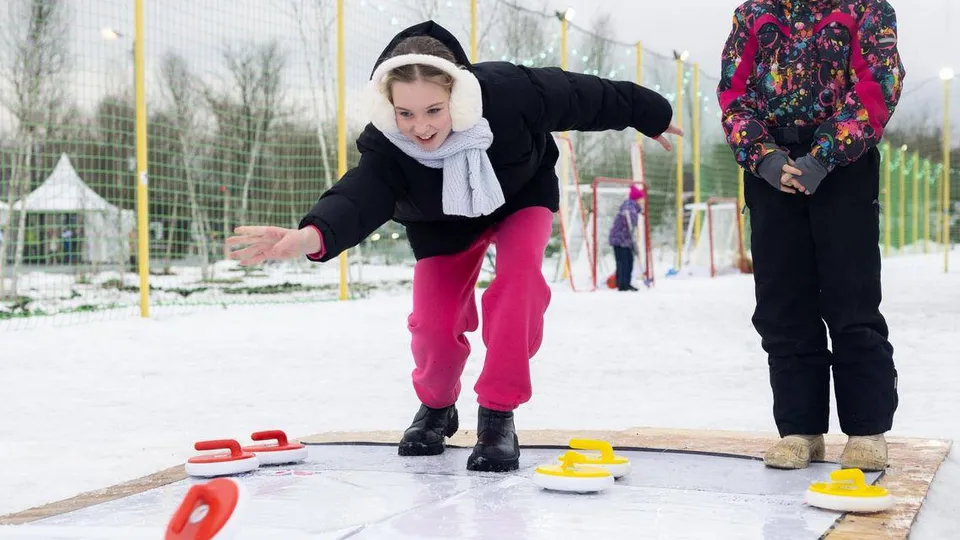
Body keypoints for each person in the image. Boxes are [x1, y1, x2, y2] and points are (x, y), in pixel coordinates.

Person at [226, 20, 680, 473]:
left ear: (457, 97)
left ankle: (498, 415)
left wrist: (651, 113)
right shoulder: (389, 146)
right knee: (433, 323)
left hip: (518, 197)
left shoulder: (510, 93)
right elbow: (358, 195)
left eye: (433, 110)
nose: (420, 127)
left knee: (517, 287)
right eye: (405, 113)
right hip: (438, 221)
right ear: (389, 109)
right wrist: (309, 236)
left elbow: (585, 95)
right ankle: (437, 409)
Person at [718, 0, 903, 471]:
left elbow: (878, 85)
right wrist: (764, 156)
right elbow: (733, 94)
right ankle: (800, 428)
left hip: (843, 165)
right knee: (782, 302)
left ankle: (866, 428)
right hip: (772, 170)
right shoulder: (753, 13)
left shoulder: (867, 9)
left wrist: (826, 154)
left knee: (851, 297)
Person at [608, 184, 645, 291]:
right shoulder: (630, 209)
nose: (643, 201)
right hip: (620, 240)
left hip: (624, 239)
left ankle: (625, 283)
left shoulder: (632, 208)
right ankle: (622, 284)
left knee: (628, 260)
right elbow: (629, 226)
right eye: (641, 199)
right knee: (624, 262)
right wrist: (632, 240)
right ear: (637, 198)